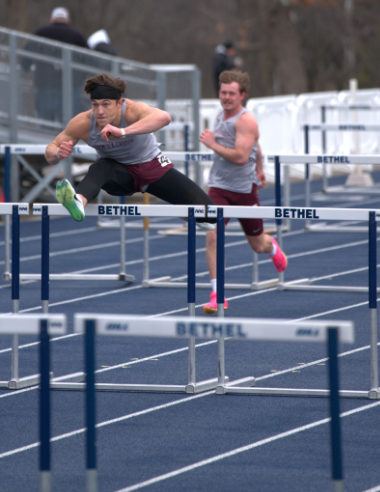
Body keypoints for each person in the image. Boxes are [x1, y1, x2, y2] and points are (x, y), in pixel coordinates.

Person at [45, 73, 219, 259]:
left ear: (119, 103)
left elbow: (164, 117)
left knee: (210, 216)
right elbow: (50, 150)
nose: (100, 111)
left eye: (106, 104)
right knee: (100, 167)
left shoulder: (133, 110)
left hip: (153, 169)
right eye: (95, 104)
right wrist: (57, 154)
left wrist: (122, 132)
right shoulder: (83, 123)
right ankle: (79, 201)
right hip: (120, 175)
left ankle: (186, 211)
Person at [199, 70, 287, 313]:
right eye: (223, 92)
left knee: (257, 245)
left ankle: (272, 247)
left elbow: (240, 156)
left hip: (243, 192)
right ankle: (218, 294)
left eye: (231, 93)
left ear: (242, 95)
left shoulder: (246, 120)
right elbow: (257, 148)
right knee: (213, 237)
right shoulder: (219, 115)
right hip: (218, 187)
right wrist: (260, 167)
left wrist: (212, 144)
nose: (226, 97)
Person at [21, 7, 89, 123]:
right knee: (69, 126)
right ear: (67, 20)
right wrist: (82, 78)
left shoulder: (41, 33)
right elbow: (89, 59)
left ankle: (46, 140)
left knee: (46, 123)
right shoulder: (78, 37)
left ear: (52, 20)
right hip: (71, 86)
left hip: (46, 84)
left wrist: (26, 67)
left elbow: (27, 54)